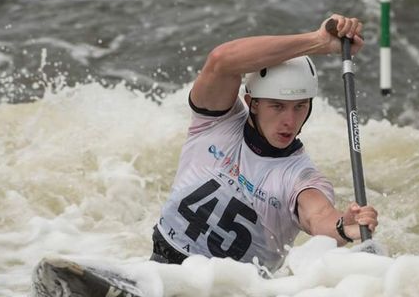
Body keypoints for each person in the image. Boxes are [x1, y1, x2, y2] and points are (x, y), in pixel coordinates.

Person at [150, 14, 378, 273]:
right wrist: (319, 42)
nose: (289, 121)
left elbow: (318, 216)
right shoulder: (216, 121)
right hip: (161, 264)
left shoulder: (299, 177)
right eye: (277, 106)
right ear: (253, 103)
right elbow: (221, 61)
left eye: (300, 107)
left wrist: (342, 227)